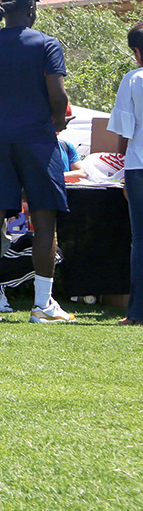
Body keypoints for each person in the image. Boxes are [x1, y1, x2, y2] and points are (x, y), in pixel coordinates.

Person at [0, 0, 75, 324]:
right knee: (44, 218)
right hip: (37, 139)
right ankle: (43, 305)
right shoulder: (46, 44)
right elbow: (57, 96)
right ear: (30, 8)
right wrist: (56, 123)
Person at [107, 21, 143, 326]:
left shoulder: (133, 79)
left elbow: (123, 135)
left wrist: (122, 175)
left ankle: (137, 314)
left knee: (141, 240)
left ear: (136, 52)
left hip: (138, 166)